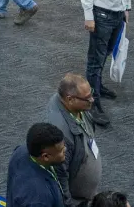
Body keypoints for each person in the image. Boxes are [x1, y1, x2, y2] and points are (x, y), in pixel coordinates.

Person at [80, 0, 134, 126]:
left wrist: (126, 7)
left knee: (108, 51)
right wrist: (89, 16)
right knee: (95, 59)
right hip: (101, 15)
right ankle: (92, 103)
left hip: (118, 14)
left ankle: (98, 85)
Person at [45, 74, 102, 207]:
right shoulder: (61, 133)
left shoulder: (75, 106)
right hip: (77, 200)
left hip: (86, 195)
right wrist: (69, 204)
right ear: (70, 99)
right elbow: (60, 175)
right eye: (87, 98)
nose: (92, 100)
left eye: (91, 94)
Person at [7, 122, 66, 207]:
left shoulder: (21, 151)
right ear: (45, 156)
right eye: (61, 150)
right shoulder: (39, 199)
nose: (65, 149)